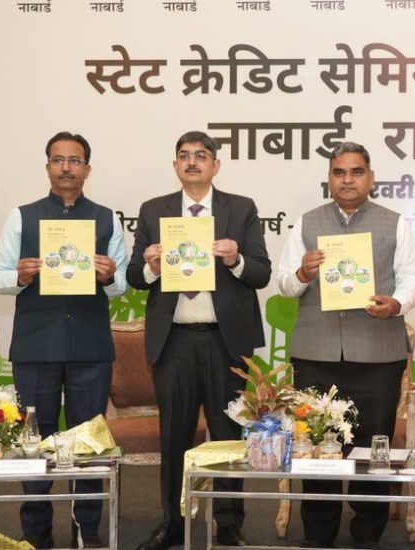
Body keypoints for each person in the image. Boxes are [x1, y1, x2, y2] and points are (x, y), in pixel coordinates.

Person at [127, 131, 271, 550]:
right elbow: (135, 276)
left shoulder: (240, 209)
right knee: (174, 436)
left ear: (215, 165)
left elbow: (261, 272)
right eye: (184, 156)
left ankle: (228, 522)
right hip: (174, 341)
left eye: (201, 155)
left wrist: (235, 258)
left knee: (227, 435)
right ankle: (172, 521)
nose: (192, 162)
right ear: (175, 165)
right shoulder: (153, 210)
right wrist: (152, 266)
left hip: (225, 341)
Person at [275, 141, 415, 548]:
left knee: (372, 449)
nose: (347, 180)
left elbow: (412, 279)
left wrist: (397, 304)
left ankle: (367, 535)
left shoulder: (394, 223)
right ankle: (318, 534)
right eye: (339, 172)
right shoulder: (306, 223)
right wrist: (302, 274)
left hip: (377, 355)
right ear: (329, 178)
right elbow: (284, 283)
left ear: (370, 178)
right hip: (316, 355)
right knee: (314, 446)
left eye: (356, 172)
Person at [0, 131, 128, 549]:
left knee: (89, 440)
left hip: (90, 346)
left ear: (87, 168)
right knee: (36, 440)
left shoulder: (106, 218)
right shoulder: (21, 217)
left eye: (75, 160)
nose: (67, 167)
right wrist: (20, 275)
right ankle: (36, 530)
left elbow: (121, 285)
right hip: (36, 346)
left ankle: (88, 528)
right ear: (47, 166)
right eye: (58, 160)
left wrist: (109, 276)